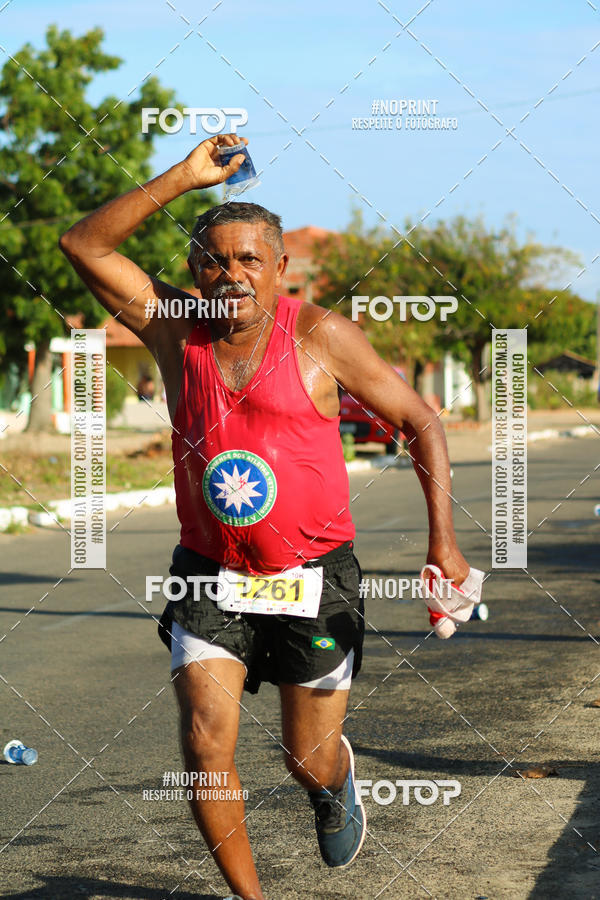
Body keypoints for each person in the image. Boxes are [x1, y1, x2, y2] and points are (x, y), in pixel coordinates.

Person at [59, 134, 470, 900]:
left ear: (281, 268)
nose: (233, 275)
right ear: (194, 271)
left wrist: (443, 544)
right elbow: (83, 244)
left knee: (305, 757)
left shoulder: (321, 335)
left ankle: (332, 782)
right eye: (215, 261)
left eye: (250, 260)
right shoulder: (174, 327)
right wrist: (183, 178)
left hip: (314, 578)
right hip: (209, 577)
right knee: (204, 744)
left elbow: (420, 420)